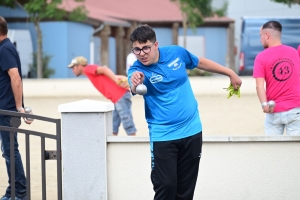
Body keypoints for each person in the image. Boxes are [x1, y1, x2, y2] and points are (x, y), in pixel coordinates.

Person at [128, 24, 242, 200]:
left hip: (192, 130)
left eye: (146, 48)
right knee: (166, 186)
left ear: (156, 45)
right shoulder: (137, 70)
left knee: (186, 189)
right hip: (163, 135)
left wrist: (229, 73)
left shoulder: (176, 53)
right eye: (137, 49)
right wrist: (136, 81)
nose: (142, 53)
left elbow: (200, 62)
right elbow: (133, 86)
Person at [0, 16, 32, 200]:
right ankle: (14, 191)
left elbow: (15, 77)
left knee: (11, 151)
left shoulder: (5, 49)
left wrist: (19, 107)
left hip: (7, 110)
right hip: (4, 109)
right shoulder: (5, 48)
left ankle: (19, 192)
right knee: (8, 152)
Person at [67, 56, 137, 136]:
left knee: (126, 119)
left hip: (119, 95)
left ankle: (133, 141)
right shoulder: (89, 71)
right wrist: (118, 78)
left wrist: (115, 79)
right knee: (112, 123)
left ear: (79, 66)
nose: (73, 71)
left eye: (73, 68)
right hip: (116, 98)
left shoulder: (88, 69)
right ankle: (112, 143)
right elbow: (105, 72)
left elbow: (104, 69)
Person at [253, 20, 300, 135]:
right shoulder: (294, 52)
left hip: (273, 110)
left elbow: (259, 86)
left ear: (267, 35)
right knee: (295, 150)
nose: (260, 40)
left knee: (271, 150)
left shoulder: (260, 57)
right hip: (295, 110)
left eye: (261, 36)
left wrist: (264, 104)